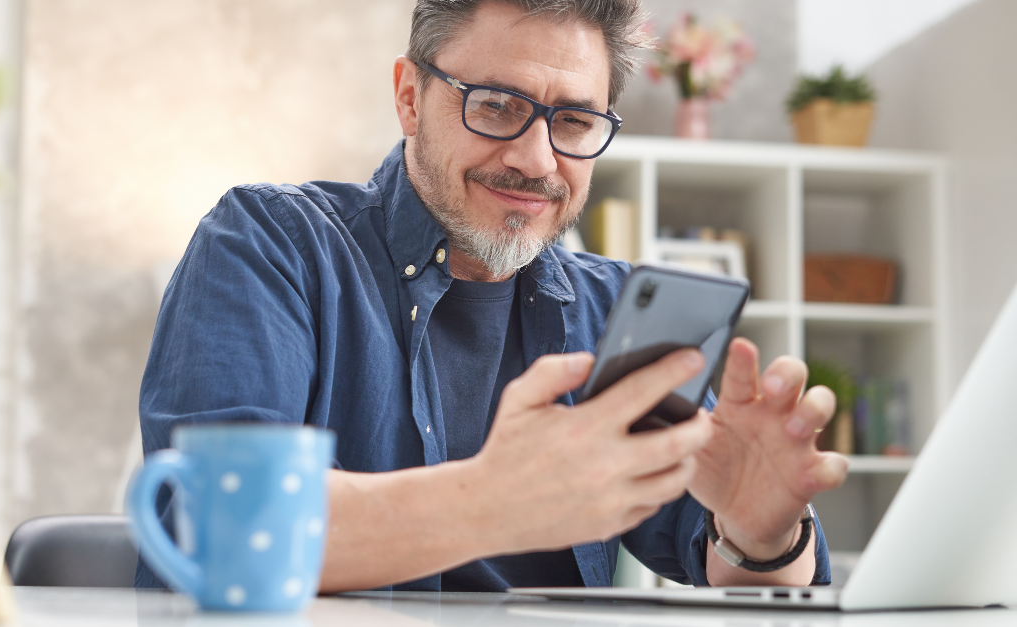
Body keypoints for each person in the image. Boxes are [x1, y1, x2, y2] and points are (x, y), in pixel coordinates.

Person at [138, 0, 848, 592]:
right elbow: (220, 528)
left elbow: (728, 563)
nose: (536, 159)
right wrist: (496, 500)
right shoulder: (270, 244)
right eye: (498, 105)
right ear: (410, 98)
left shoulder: (613, 309)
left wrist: (762, 531)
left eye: (572, 122)